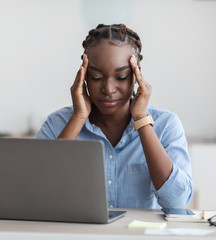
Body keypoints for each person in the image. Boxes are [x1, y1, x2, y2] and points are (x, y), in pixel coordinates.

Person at [36, 24, 193, 209]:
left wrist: (141, 119)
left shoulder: (166, 125)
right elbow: (39, 193)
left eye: (121, 77)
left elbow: (177, 202)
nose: (108, 89)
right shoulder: (57, 124)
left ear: (136, 75)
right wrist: (79, 117)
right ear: (84, 76)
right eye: (96, 77)